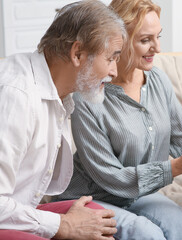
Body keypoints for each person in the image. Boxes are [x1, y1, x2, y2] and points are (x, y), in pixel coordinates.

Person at [54, 0, 182, 239]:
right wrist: (174, 168)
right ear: (117, 41)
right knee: (146, 234)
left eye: (158, 37)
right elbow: (110, 178)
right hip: (91, 197)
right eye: (145, 40)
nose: (157, 48)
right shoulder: (87, 95)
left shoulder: (158, 81)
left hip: (140, 195)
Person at [0, 1, 127, 239]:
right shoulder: (16, 96)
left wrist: (66, 222)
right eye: (111, 58)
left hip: (17, 210)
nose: (114, 72)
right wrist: (63, 225)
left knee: (98, 218)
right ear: (77, 53)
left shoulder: (61, 95)